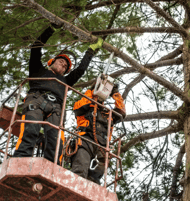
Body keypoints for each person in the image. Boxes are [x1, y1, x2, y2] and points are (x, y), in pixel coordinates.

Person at [13, 23, 102, 164]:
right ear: (51, 62)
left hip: (55, 107)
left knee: (55, 139)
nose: (63, 65)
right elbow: (36, 47)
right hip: (36, 100)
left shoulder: (66, 80)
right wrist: (50, 29)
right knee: (30, 129)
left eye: (65, 66)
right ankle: (19, 160)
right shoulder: (38, 70)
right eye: (61, 61)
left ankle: (51, 166)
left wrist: (90, 51)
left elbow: (80, 70)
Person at [71, 83, 126, 184]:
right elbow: (80, 106)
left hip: (102, 146)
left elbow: (121, 112)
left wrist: (115, 94)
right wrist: (93, 90)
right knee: (80, 170)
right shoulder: (85, 105)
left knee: (96, 176)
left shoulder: (108, 114)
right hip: (85, 140)